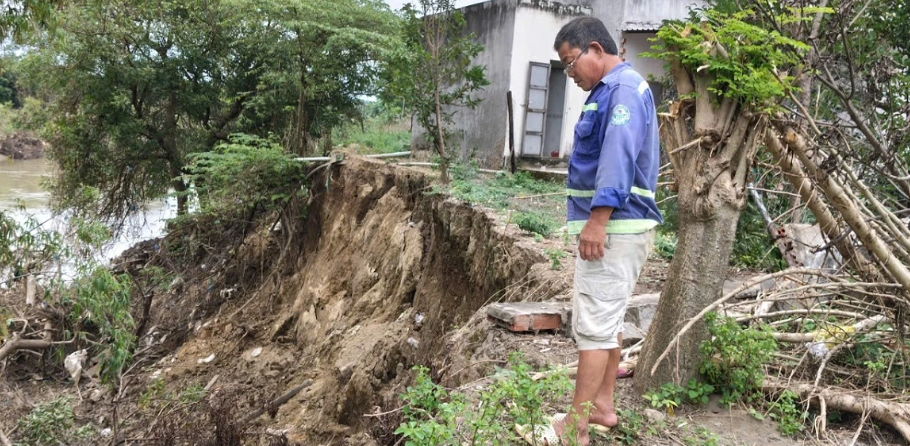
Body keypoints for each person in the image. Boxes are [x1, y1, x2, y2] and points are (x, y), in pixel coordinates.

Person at [525, 16, 663, 446]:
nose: (569, 74)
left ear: (596, 50)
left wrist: (597, 220)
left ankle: (576, 427)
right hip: (625, 227)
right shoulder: (617, 89)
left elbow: (618, 158)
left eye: (570, 63)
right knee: (610, 321)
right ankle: (603, 406)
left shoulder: (619, 91)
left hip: (616, 227)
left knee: (594, 328)